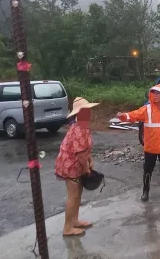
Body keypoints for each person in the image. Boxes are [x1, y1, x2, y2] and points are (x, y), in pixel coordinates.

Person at [117, 83, 160, 202]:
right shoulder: (146, 109)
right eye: (153, 93)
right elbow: (134, 115)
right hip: (150, 147)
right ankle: (145, 191)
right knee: (148, 170)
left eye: (158, 93)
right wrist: (123, 116)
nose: (155, 95)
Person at [55, 97, 99, 237]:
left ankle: (74, 220)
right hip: (70, 165)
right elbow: (80, 154)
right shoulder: (78, 128)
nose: (89, 113)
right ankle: (67, 228)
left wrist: (90, 161)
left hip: (77, 164)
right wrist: (87, 170)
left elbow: (86, 149)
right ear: (78, 113)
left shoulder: (83, 126)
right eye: (85, 110)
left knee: (78, 194)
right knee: (73, 196)